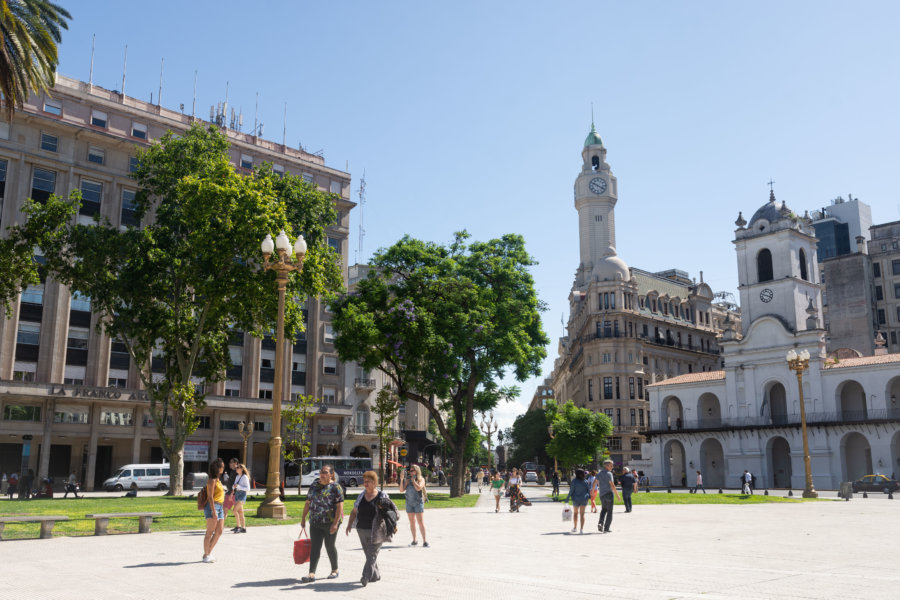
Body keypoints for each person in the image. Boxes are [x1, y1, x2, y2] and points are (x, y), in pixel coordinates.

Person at [345, 471, 399, 587]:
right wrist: (349, 524)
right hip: (361, 529)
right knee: (369, 555)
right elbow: (354, 511)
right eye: (364, 482)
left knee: (371, 554)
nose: (365, 484)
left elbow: (391, 512)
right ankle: (375, 575)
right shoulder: (361, 495)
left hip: (377, 530)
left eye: (368, 482)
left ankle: (365, 576)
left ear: (374, 483)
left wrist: (392, 525)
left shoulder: (382, 496)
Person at [300, 464, 343, 583]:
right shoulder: (314, 485)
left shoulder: (336, 487)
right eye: (321, 472)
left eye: (325, 472)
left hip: (330, 522)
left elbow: (339, 506)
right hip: (315, 522)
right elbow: (308, 502)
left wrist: (335, 523)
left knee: (330, 546)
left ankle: (335, 570)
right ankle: (311, 573)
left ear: (331, 474)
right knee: (315, 547)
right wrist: (303, 518)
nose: (322, 474)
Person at [202, 458, 225, 563]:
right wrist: (213, 511)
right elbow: (210, 497)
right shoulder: (212, 480)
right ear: (217, 468)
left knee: (219, 531)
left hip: (220, 507)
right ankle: (206, 555)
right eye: (222, 467)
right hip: (213, 507)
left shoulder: (219, 480)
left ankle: (208, 553)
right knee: (210, 532)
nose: (223, 468)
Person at [400, 464, 428, 547]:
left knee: (420, 522)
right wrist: (402, 479)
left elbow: (418, 488)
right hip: (409, 503)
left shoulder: (421, 479)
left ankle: (425, 541)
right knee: (412, 522)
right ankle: (414, 540)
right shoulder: (408, 480)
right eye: (410, 471)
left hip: (418, 503)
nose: (410, 472)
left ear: (416, 471)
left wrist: (414, 481)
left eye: (412, 471)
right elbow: (401, 490)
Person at [597, 459, 620, 533]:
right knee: (609, 511)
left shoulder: (599, 473)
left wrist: (593, 491)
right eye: (611, 465)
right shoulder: (609, 473)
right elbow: (612, 485)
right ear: (606, 466)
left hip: (602, 495)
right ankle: (606, 528)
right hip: (609, 494)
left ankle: (600, 522)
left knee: (603, 509)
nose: (612, 467)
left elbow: (595, 481)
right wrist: (617, 494)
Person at [566, 469, 591, 534]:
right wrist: (589, 497)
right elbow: (588, 490)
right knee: (582, 514)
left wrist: (568, 498)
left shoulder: (574, 481)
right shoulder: (585, 481)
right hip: (584, 499)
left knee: (575, 513)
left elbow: (571, 491)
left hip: (576, 499)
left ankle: (575, 527)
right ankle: (581, 529)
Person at [232, 463, 251, 533]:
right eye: (236, 468)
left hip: (242, 494)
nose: (236, 469)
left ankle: (238, 526)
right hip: (237, 494)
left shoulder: (245, 477)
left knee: (234, 511)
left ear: (241, 469)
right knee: (240, 512)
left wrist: (238, 486)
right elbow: (234, 485)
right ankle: (243, 528)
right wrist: (233, 487)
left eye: (237, 468)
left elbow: (248, 488)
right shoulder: (237, 476)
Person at [223, 457, 238, 532]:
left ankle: (239, 526)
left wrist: (232, 492)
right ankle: (220, 526)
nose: (229, 464)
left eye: (231, 462)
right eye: (229, 462)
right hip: (229, 493)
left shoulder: (237, 472)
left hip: (234, 494)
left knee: (237, 511)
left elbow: (237, 484)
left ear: (235, 463)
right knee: (224, 509)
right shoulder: (232, 471)